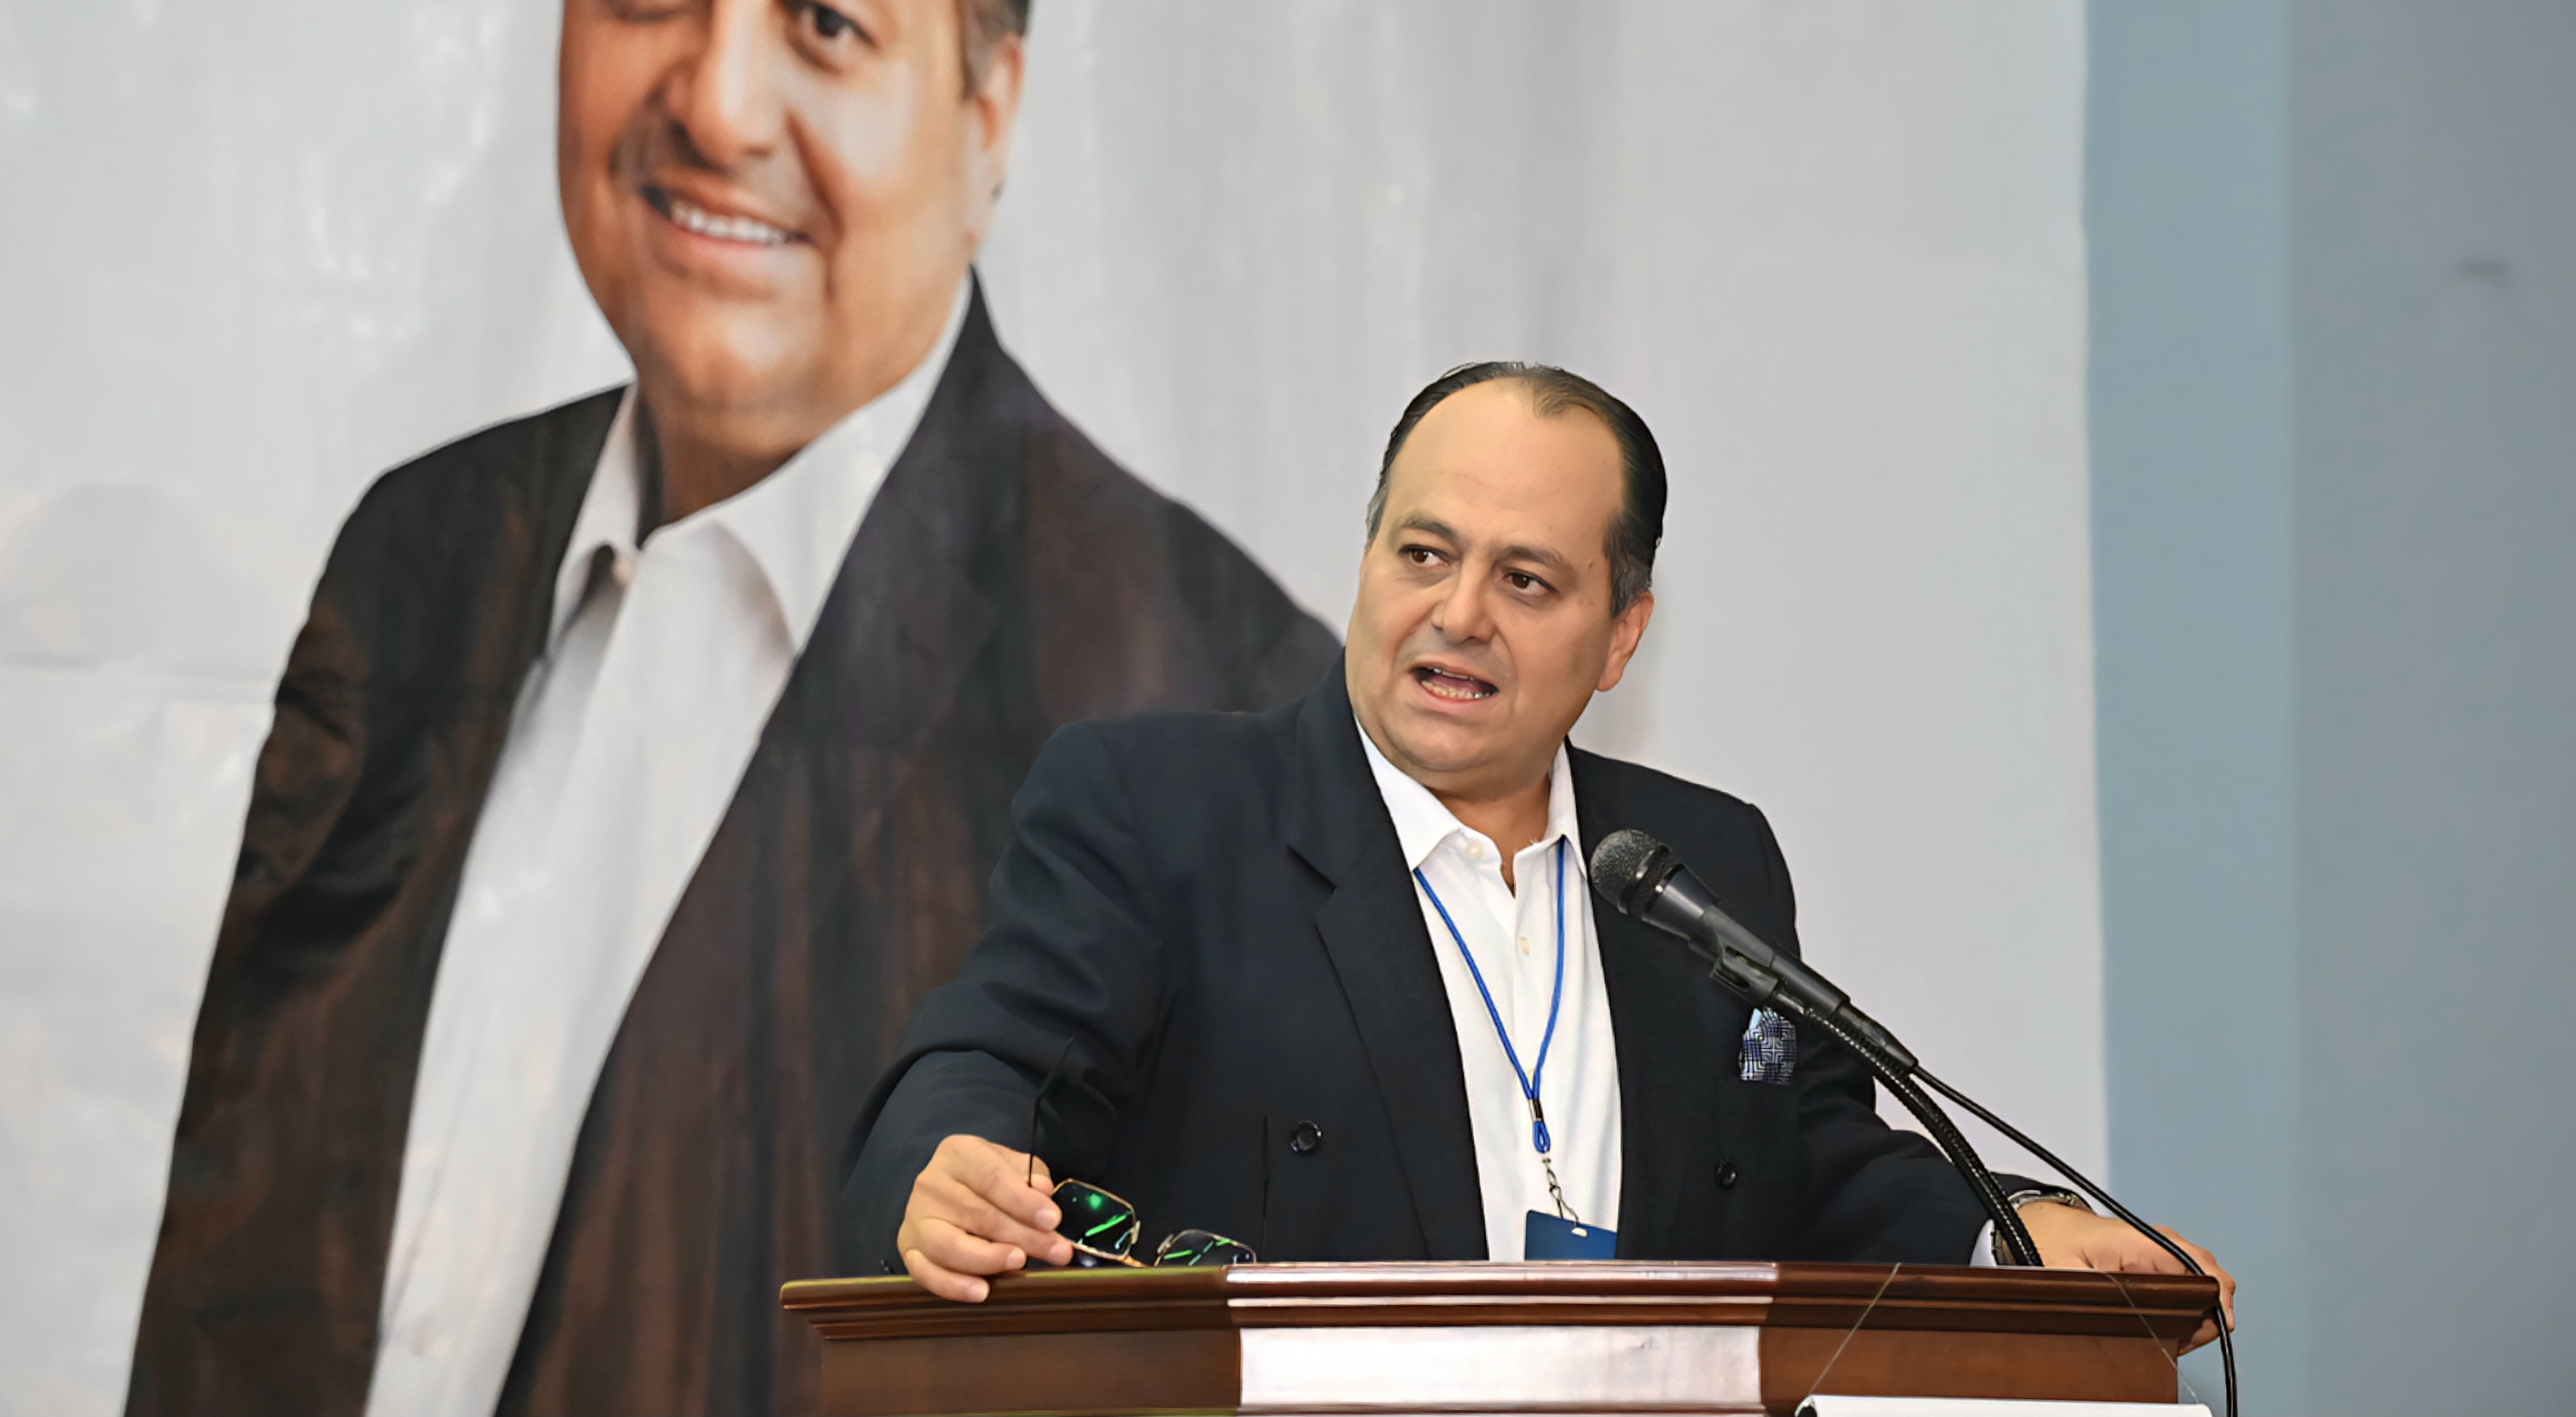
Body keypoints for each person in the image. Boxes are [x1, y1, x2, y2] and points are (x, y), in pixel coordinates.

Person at [124, 0, 1335, 1414]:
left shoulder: (1222, 706)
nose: (715, 101)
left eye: (824, 15)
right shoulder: (418, 554)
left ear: (989, 103)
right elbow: (230, 1288)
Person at [846, 363, 2238, 1349]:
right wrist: (945, 1162)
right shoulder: (1165, 808)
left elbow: (1815, 1157)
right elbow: (992, 1055)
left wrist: (2013, 1227)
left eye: (1525, 579)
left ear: (1621, 634)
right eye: (1422, 552)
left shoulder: (1701, 859)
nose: (1458, 614)